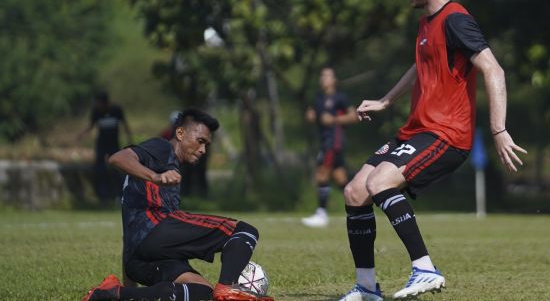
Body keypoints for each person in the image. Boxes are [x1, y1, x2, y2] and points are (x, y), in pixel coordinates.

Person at [339, 0, 527, 300]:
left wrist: (499, 130)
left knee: (381, 182)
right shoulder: (427, 23)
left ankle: (425, 269)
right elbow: (419, 65)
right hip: (416, 129)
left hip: (446, 133)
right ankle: (366, 289)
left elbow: (493, 69)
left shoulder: (456, 19)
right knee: (355, 191)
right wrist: (385, 101)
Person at [82, 108, 273, 301]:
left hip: (139, 258)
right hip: (155, 233)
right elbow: (118, 158)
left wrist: (127, 283)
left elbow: (130, 234)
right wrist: (155, 176)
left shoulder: (168, 169)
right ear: (180, 133)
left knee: (203, 292)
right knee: (244, 231)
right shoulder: (162, 147)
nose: (203, 150)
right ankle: (228, 288)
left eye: (206, 144)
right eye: (200, 141)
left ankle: (111, 294)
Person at [302, 67, 358, 228]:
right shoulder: (318, 98)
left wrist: (334, 119)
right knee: (340, 178)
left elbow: (353, 116)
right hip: (325, 140)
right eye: (322, 76)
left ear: (334, 80)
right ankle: (360, 207)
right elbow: (313, 113)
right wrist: (311, 116)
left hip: (334, 141)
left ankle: (321, 213)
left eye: (327, 76)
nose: (323, 79)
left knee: (321, 173)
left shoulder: (340, 97)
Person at [78, 91, 132, 203]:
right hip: (101, 145)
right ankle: (103, 196)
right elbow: (91, 126)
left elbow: (125, 124)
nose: (96, 105)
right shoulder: (96, 112)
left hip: (114, 144)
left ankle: (120, 195)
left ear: (104, 102)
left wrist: (129, 139)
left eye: (98, 102)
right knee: (99, 169)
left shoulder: (116, 110)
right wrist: (82, 134)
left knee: (117, 169)